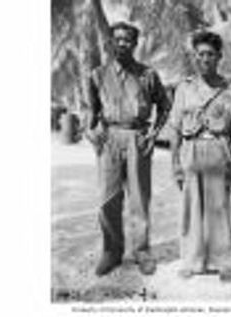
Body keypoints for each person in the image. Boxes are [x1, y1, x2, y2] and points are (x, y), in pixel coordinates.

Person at [84, 22, 171, 276]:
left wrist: (153, 134)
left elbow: (164, 106)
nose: (122, 43)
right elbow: (92, 110)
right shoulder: (97, 75)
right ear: (110, 43)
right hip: (109, 138)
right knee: (107, 200)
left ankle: (142, 251)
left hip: (137, 137)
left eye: (128, 40)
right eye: (118, 39)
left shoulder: (148, 75)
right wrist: (91, 132)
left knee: (139, 200)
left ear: (135, 44)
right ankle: (111, 252)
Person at [170, 30, 231, 281]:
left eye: (210, 54)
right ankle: (192, 261)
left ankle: (223, 262)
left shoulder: (230, 90)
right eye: (200, 54)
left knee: (220, 208)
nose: (204, 59)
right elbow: (175, 129)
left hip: (219, 152)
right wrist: (175, 165)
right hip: (191, 151)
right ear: (194, 57)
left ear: (219, 57)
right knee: (191, 210)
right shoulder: (184, 88)